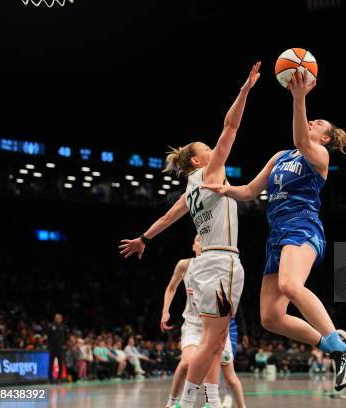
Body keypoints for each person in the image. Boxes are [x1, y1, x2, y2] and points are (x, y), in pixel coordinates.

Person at [202, 69, 346, 391]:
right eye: (312, 119)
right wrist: (225, 190)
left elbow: (301, 138)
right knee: (271, 317)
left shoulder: (317, 155)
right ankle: (333, 346)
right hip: (276, 235)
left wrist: (299, 97)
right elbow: (250, 191)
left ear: (326, 138)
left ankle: (344, 351)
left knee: (290, 285)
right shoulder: (279, 157)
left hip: (303, 226)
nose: (312, 123)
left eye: (319, 124)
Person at [120, 62, 260, 408]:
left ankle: (204, 401)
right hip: (222, 261)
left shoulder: (190, 189)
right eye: (207, 151)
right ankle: (185, 401)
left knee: (213, 343)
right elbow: (230, 126)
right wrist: (245, 91)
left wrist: (144, 240)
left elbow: (167, 217)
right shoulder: (211, 171)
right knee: (213, 344)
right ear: (199, 162)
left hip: (206, 265)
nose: (214, 152)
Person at [161, 235, 246, 408]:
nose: (202, 242)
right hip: (193, 326)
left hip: (216, 328)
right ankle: (172, 403)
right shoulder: (184, 265)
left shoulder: (219, 268)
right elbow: (170, 288)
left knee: (230, 376)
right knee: (186, 363)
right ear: (193, 246)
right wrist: (165, 311)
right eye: (198, 240)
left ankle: (221, 404)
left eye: (205, 240)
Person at [47, 313, 68, 384]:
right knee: (51, 364)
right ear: (54, 319)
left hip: (60, 349)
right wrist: (49, 346)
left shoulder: (64, 327)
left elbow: (66, 337)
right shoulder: (51, 326)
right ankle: (50, 379)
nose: (57, 319)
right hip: (52, 348)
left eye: (59, 318)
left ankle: (59, 379)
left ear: (61, 319)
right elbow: (48, 337)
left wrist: (65, 345)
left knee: (60, 364)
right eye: (56, 318)